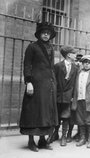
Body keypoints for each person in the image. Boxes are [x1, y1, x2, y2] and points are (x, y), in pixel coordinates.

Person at [19, 22, 58, 152]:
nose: (46, 35)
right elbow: (27, 65)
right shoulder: (32, 47)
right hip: (35, 84)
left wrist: (53, 83)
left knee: (46, 113)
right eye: (43, 33)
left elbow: (51, 67)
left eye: (48, 33)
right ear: (39, 34)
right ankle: (31, 141)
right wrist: (28, 82)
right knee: (33, 112)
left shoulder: (51, 48)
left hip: (48, 86)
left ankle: (42, 141)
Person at [48, 46, 78, 146]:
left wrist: (73, 96)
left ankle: (64, 136)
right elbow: (53, 81)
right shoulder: (57, 66)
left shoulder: (75, 68)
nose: (76, 55)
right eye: (74, 53)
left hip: (68, 96)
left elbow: (75, 84)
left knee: (66, 116)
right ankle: (54, 134)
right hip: (57, 96)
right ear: (69, 55)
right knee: (56, 116)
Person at [72, 55, 90, 149]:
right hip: (79, 98)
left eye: (89, 63)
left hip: (89, 100)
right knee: (80, 119)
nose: (87, 64)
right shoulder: (79, 73)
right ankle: (82, 138)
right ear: (82, 63)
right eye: (85, 62)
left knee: (89, 119)